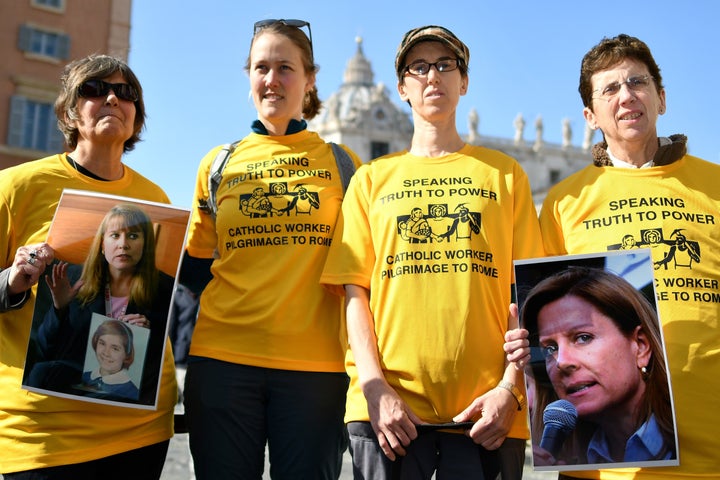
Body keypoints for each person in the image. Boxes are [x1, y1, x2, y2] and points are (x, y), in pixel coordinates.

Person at [321, 25, 543, 479]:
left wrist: (510, 389)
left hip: (488, 414)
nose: (432, 76)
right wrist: (375, 388)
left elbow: (530, 294)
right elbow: (354, 295)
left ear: (464, 82)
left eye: (445, 65)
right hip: (387, 411)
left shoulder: (506, 174)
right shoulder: (368, 180)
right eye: (418, 67)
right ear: (402, 87)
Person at [504, 34, 720, 479]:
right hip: (603, 464)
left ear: (661, 97)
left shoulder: (714, 185)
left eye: (637, 82)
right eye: (609, 89)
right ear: (590, 116)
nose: (626, 97)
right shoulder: (565, 201)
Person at [181, 19, 362, 479]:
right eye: (262, 67)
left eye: (286, 67)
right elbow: (193, 270)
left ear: (309, 79)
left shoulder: (344, 165)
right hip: (221, 362)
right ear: (248, 77)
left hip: (316, 370)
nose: (272, 79)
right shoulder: (217, 163)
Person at [0, 54, 176, 478]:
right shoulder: (17, 186)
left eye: (126, 93)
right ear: (68, 111)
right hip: (41, 432)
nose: (113, 98)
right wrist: (15, 280)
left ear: (136, 116)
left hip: (138, 429)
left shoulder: (158, 201)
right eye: (96, 89)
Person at [520, 267, 675, 466]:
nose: (562, 362)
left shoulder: (695, 438)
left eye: (583, 338)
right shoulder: (561, 459)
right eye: (550, 349)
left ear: (641, 346)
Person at [28, 203, 174, 405]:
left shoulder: (165, 288)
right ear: (102, 244)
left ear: (146, 244)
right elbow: (42, 351)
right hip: (67, 394)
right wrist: (59, 309)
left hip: (125, 401)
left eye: (133, 236)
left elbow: (159, 368)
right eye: (115, 235)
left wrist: (146, 338)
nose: (123, 244)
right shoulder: (70, 277)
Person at [81, 319, 140, 400]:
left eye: (115, 348)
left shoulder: (132, 393)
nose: (106, 353)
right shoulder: (85, 376)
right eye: (102, 343)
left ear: (126, 354)